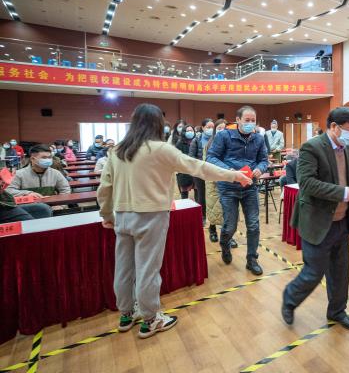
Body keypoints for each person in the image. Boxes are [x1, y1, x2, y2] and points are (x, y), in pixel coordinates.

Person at [97, 103, 251, 339]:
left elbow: (105, 187)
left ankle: (126, 313)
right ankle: (150, 319)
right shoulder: (161, 149)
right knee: (147, 270)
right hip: (151, 216)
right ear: (158, 124)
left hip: (123, 216)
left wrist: (107, 215)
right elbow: (199, 167)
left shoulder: (117, 150)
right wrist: (233, 175)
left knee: (124, 268)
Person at [282, 107, 349, 332]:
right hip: (318, 221)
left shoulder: (347, 148)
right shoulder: (312, 147)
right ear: (334, 127)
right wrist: (343, 193)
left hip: (341, 221)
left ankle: (337, 311)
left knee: (341, 271)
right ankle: (290, 298)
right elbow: (307, 183)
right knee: (314, 272)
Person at [207, 105, 269, 276]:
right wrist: (230, 172)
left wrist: (260, 168)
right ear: (238, 120)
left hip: (250, 187)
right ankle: (225, 243)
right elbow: (211, 157)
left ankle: (252, 259)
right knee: (230, 225)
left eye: (253, 120)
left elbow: (264, 160)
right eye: (247, 120)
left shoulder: (259, 139)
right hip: (228, 187)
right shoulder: (224, 136)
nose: (250, 123)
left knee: (253, 225)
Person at [6, 144, 71, 197]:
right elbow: (9, 191)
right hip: (28, 207)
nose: (48, 160)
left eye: (49, 157)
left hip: (52, 206)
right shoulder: (19, 174)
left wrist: (60, 205)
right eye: (44, 157)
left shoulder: (55, 173)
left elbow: (65, 190)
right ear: (32, 159)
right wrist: (27, 193)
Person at [189, 118, 214, 214]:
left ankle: (212, 216)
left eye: (212, 127)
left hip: (213, 171)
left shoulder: (216, 139)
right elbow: (191, 157)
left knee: (213, 194)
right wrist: (201, 164)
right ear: (203, 127)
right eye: (208, 127)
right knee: (201, 194)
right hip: (200, 172)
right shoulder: (196, 140)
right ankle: (202, 215)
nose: (211, 129)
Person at [175, 125, 196, 199]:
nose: (190, 132)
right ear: (184, 132)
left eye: (191, 130)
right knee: (184, 193)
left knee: (198, 191)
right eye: (188, 131)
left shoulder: (196, 141)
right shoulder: (179, 143)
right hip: (184, 171)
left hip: (195, 170)